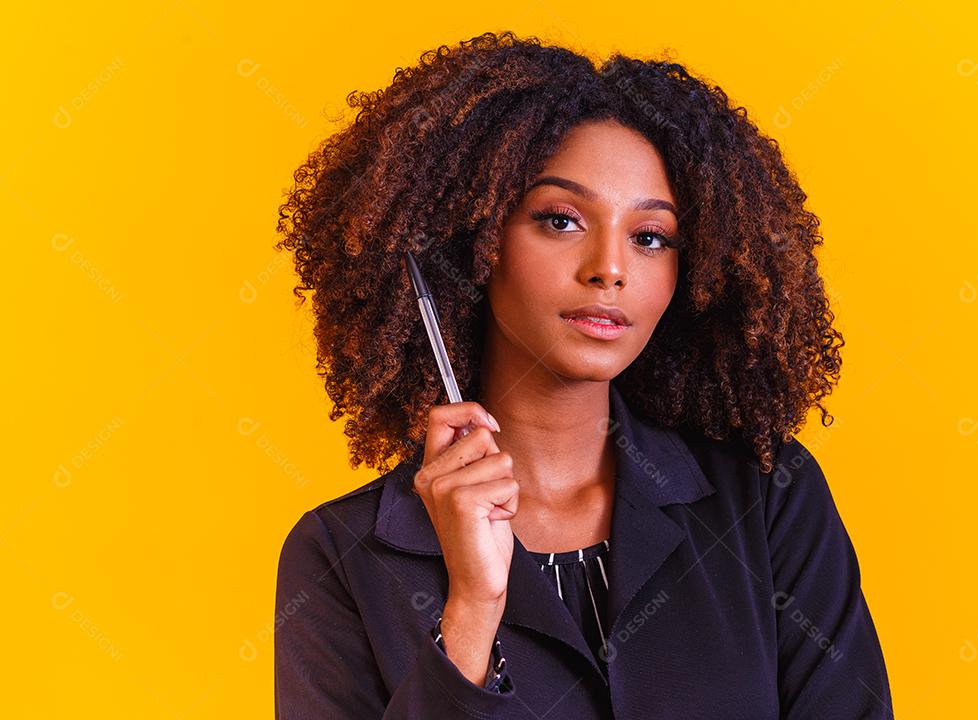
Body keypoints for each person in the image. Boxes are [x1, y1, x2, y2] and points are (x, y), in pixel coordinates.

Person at [272, 30, 892, 719]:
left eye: (650, 237)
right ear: (470, 240)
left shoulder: (766, 501)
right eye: (561, 220)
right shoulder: (342, 557)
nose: (610, 267)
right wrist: (472, 610)